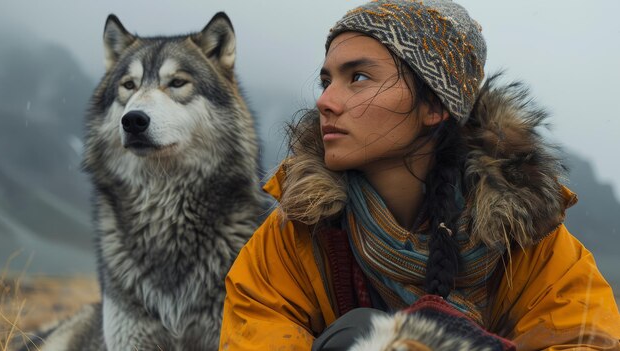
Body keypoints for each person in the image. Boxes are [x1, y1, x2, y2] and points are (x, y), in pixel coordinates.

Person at [218, 0, 620, 350]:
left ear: (434, 106)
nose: (324, 100)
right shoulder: (294, 236)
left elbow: (586, 339)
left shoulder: (529, 239)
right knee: (355, 334)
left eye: (358, 77)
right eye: (326, 80)